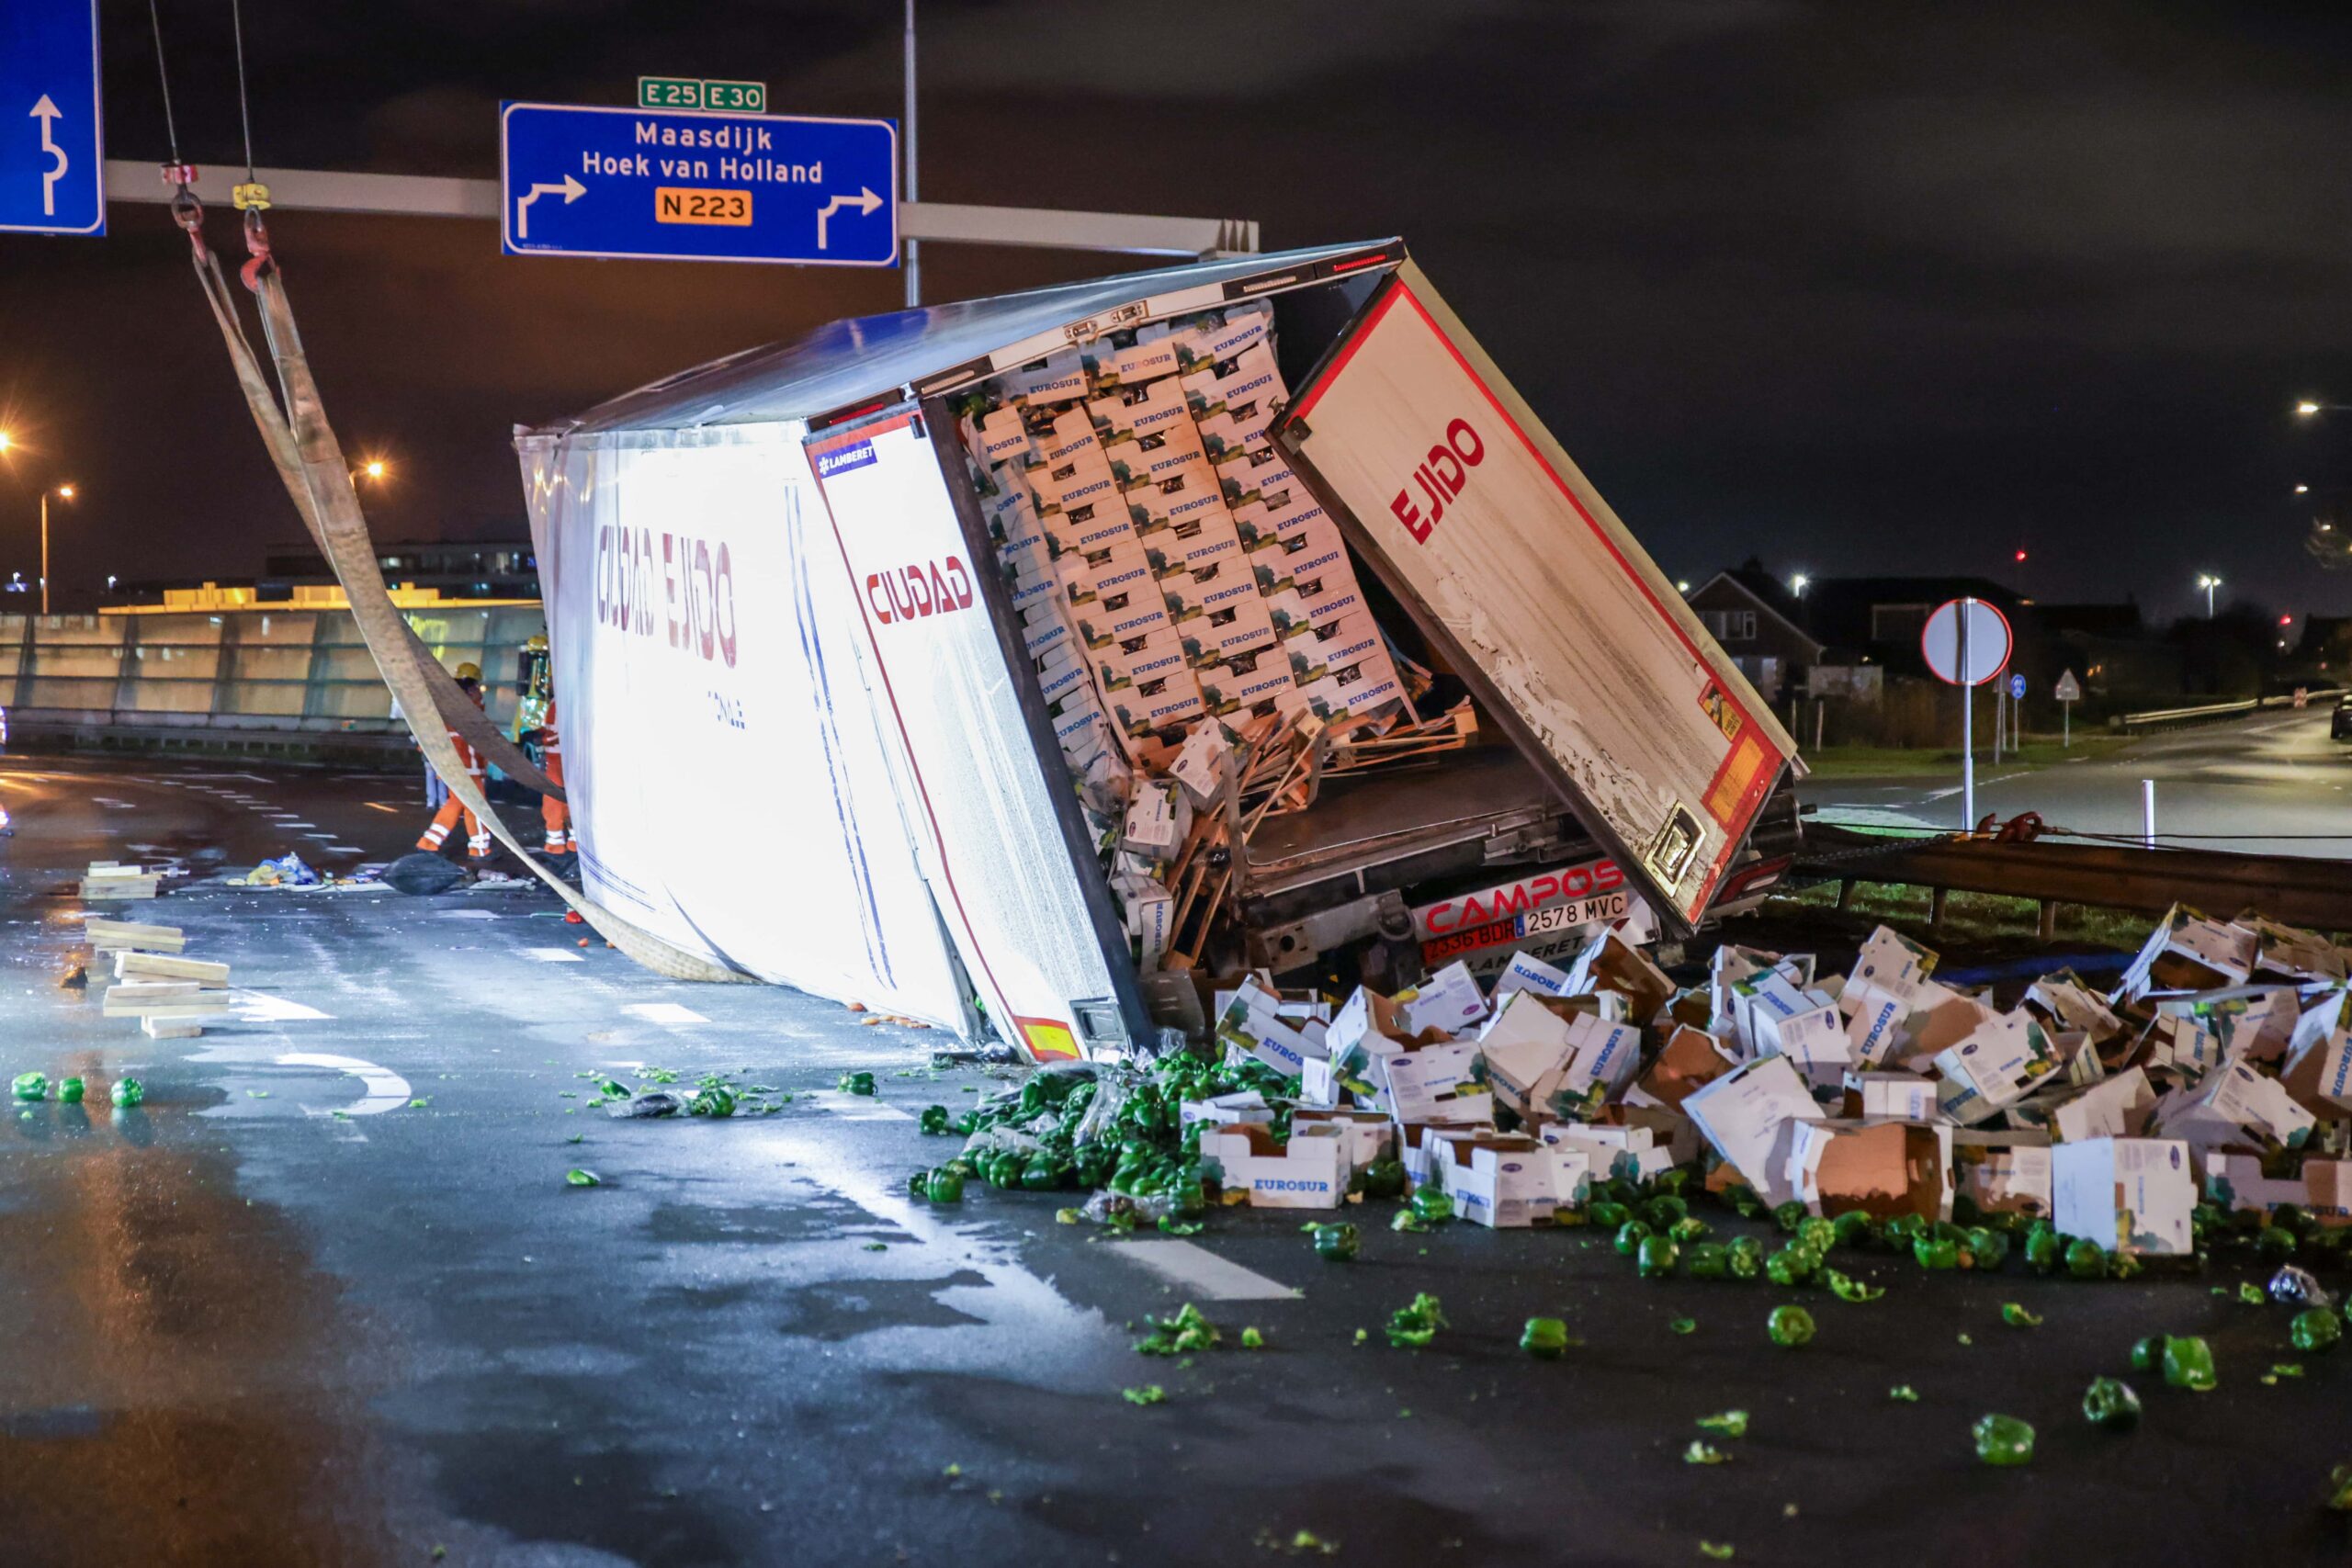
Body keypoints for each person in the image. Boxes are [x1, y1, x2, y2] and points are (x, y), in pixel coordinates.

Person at [414, 662, 491, 861]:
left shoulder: (448, 708)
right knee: (475, 807)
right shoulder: (469, 710)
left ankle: (435, 843)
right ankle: (476, 848)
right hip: (468, 768)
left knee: (461, 805)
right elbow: (476, 740)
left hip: (455, 767)